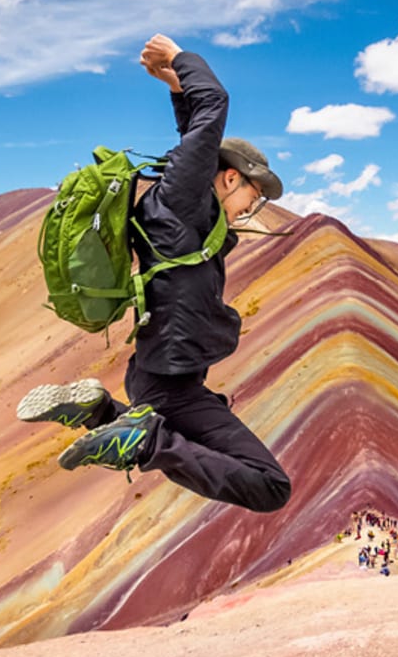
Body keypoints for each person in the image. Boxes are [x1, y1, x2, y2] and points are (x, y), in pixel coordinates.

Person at [15, 34, 291, 513]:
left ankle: (98, 412)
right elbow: (214, 110)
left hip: (157, 372)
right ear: (230, 177)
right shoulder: (184, 199)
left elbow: (194, 136)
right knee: (270, 486)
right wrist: (181, 60)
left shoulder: (182, 205)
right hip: (171, 379)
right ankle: (139, 442)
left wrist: (176, 88)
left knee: (177, 429)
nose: (254, 204)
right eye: (255, 192)